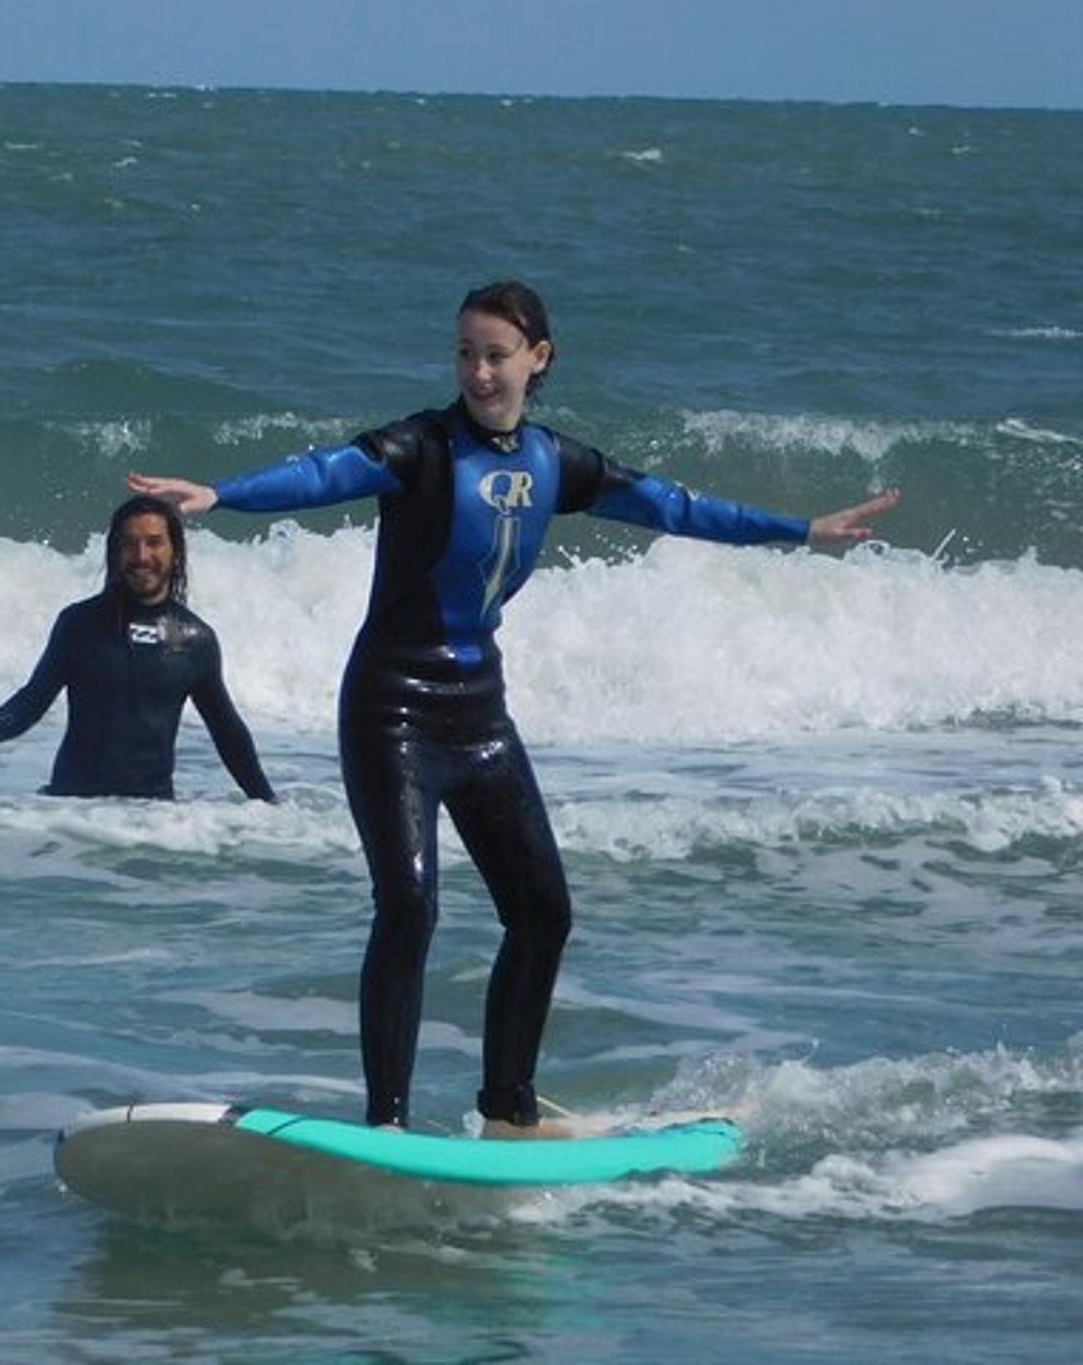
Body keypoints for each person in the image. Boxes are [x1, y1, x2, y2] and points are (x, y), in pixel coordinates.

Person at [128, 280, 899, 1137]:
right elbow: (326, 471)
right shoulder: (421, 446)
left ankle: (507, 1108)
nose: (478, 371)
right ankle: (386, 1123)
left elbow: (674, 507)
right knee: (410, 904)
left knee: (543, 912)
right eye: (465, 352)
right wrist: (222, 495)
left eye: (496, 354)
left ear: (539, 359)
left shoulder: (556, 463)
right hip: (392, 709)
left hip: (480, 715)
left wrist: (800, 529)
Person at [0, 495, 276, 803]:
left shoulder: (194, 640)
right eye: (129, 544)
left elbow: (226, 731)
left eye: (153, 542)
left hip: (149, 817)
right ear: (114, 552)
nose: (141, 556)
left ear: (175, 551)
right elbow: (34, 698)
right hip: (69, 811)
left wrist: (268, 804)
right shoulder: (79, 624)